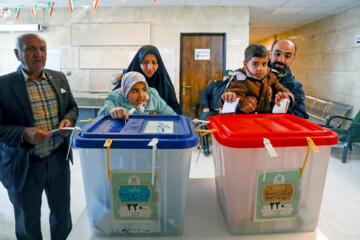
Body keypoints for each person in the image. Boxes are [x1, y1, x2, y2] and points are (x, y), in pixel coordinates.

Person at [0, 34, 78, 239]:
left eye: (42, 49)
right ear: (17, 54)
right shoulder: (4, 85)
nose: (38, 54)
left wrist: (68, 121)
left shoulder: (58, 78)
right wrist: (24, 133)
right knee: (28, 222)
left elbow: (72, 108)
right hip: (24, 165)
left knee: (62, 216)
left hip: (58, 159)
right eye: (30, 49)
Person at [221, 44, 294, 114]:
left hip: (265, 118)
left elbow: (282, 90)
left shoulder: (270, 76)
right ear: (245, 64)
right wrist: (239, 102)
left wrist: (285, 97)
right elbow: (234, 96)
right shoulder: (240, 78)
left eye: (264, 64)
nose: (260, 69)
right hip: (243, 120)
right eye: (255, 64)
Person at [98, 71, 176, 119]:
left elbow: (173, 116)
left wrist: (157, 118)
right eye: (135, 91)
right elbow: (101, 113)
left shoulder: (152, 96)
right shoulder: (115, 97)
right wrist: (111, 111)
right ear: (126, 90)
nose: (141, 95)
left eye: (144, 89)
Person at [269, 39, 309, 119]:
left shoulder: (296, 86)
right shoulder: (251, 78)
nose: (281, 60)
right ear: (270, 54)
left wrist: (283, 103)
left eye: (287, 56)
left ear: (293, 59)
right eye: (277, 54)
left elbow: (302, 118)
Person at [198, 70, 232, 156]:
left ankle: (226, 146)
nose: (228, 78)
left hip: (225, 113)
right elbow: (203, 94)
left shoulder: (233, 87)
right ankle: (205, 146)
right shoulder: (214, 84)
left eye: (230, 77)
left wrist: (226, 110)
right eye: (227, 77)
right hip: (212, 110)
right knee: (203, 120)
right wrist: (205, 107)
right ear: (223, 77)